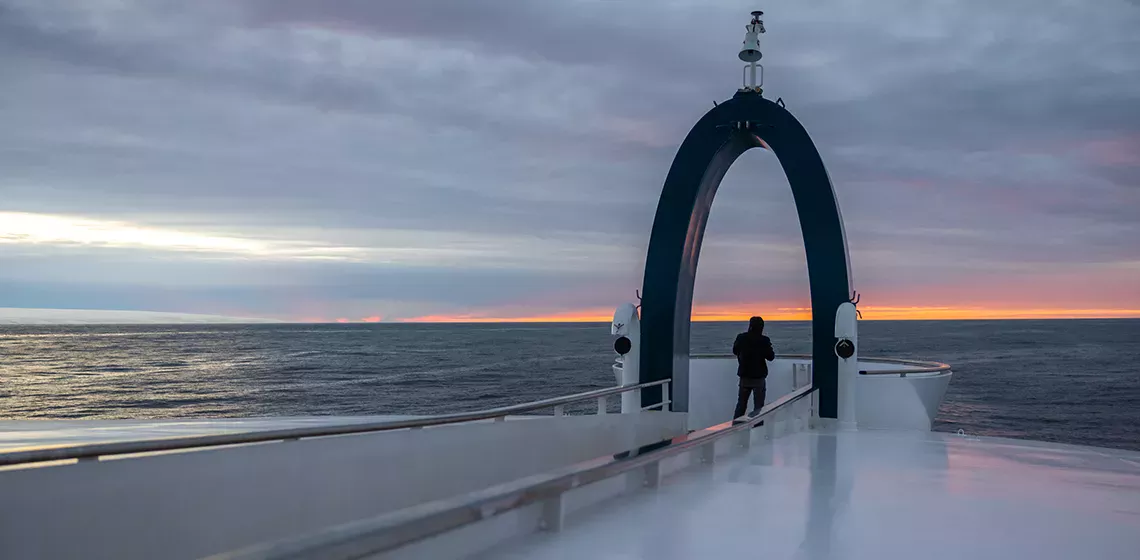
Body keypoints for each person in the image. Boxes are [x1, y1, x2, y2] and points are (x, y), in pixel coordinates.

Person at [732, 316, 775, 420]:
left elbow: (735, 351)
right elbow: (771, 357)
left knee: (741, 405)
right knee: (759, 408)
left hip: (745, 376)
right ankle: (758, 428)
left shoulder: (741, 337)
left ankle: (735, 427)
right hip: (759, 378)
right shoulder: (764, 340)